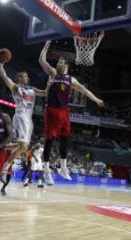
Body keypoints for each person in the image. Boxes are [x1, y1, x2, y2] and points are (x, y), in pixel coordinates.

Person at [39, 41, 104, 185]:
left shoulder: (71, 79)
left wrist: (96, 99)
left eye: (62, 62)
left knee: (64, 138)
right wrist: (46, 45)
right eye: (59, 61)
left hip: (64, 111)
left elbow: (85, 91)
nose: (59, 63)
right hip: (52, 110)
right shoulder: (52, 73)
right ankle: (46, 170)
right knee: (49, 140)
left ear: (66, 66)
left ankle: (63, 167)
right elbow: (41, 60)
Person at [0, 62, 46, 181]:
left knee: (23, 148)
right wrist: (1, 65)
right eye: (25, 76)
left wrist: (52, 82)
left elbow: (45, 93)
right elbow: (4, 77)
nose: (27, 78)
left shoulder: (32, 89)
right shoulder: (15, 87)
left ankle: (1, 147)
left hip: (29, 120)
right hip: (20, 117)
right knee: (23, 146)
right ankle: (4, 169)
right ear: (19, 78)